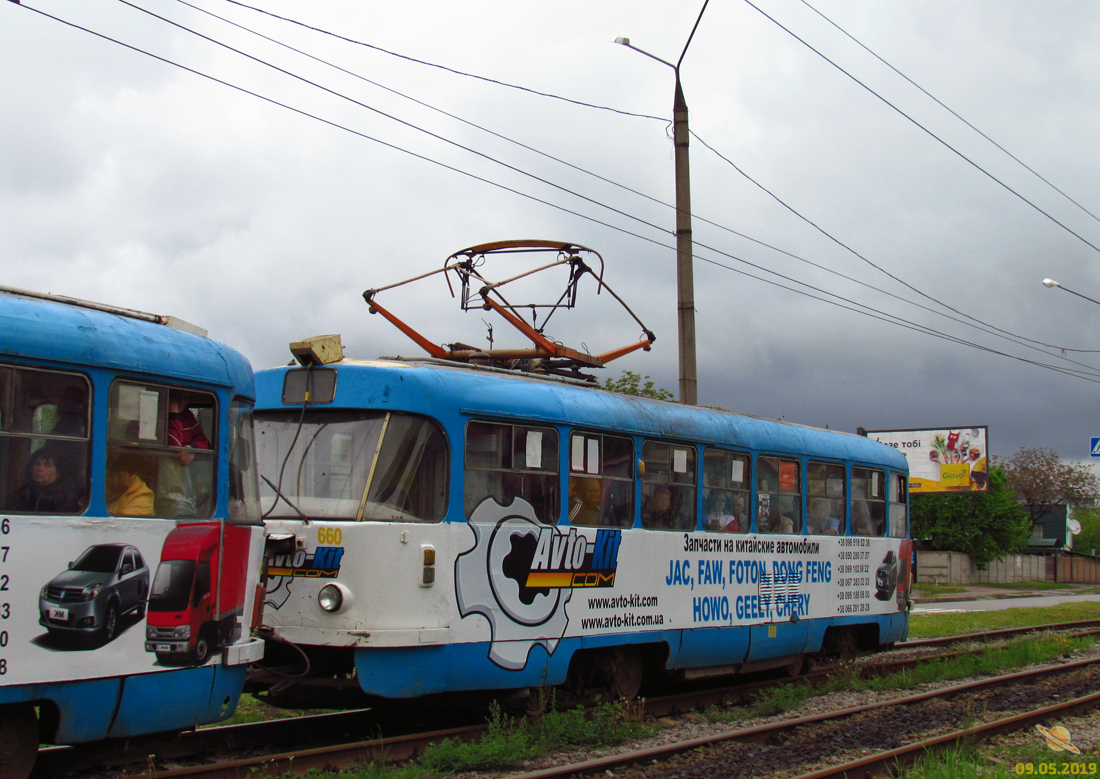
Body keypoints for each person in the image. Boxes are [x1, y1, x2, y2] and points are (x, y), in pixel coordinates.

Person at [160, 393, 212, 516]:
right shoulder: (159, 415)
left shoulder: (187, 416)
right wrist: (174, 411)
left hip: (185, 484)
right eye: (179, 396)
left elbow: (205, 443)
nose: (183, 401)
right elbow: (175, 446)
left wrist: (191, 448)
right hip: (163, 484)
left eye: (186, 397)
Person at [11, 445, 81, 513]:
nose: (40, 469)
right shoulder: (25, 491)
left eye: (47, 465)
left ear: (58, 472)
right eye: (37, 464)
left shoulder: (66, 497)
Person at [107, 452, 154, 516]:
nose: (112, 479)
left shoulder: (143, 498)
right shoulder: (112, 490)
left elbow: (124, 523)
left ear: (133, 474)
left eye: (118, 476)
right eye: (111, 475)